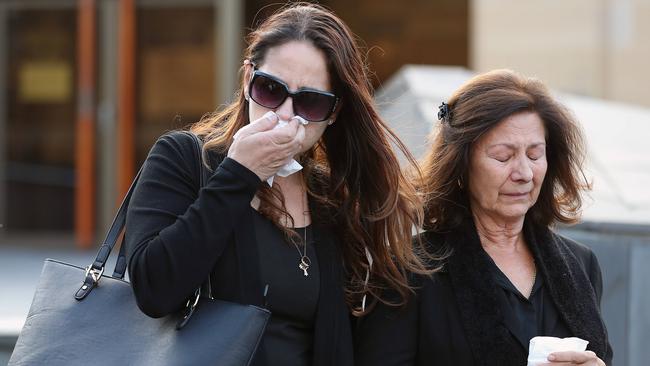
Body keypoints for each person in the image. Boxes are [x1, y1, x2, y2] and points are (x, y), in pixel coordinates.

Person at [124, 3, 427, 366]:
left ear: (333, 113)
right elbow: (154, 289)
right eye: (271, 89)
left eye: (310, 102)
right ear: (248, 78)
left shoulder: (330, 197)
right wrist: (238, 174)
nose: (285, 113)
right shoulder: (184, 159)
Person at [355, 69, 613, 365]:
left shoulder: (581, 264)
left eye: (534, 154)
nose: (524, 174)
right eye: (503, 156)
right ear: (461, 164)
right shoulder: (409, 270)